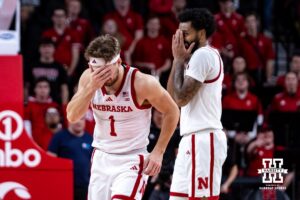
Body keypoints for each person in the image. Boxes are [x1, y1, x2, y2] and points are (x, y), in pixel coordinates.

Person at [66, 35, 179, 200]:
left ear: (118, 62)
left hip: (132, 158)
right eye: (95, 70)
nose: (100, 76)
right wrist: (91, 88)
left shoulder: (142, 83)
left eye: (105, 71)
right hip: (101, 157)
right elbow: (72, 116)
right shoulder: (88, 78)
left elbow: (173, 111)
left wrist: (158, 152)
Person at [167, 8, 227, 199]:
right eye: (179, 33)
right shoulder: (191, 59)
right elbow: (172, 97)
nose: (181, 38)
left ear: (201, 33)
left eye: (185, 33)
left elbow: (182, 98)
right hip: (190, 139)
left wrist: (178, 60)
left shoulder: (204, 55)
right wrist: (177, 61)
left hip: (204, 138)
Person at [48, 117, 93, 200]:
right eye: (75, 119)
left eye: (82, 119)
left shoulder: (90, 139)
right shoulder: (59, 137)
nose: (78, 122)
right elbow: (50, 161)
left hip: (84, 186)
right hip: (63, 185)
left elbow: (93, 163)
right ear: (69, 120)